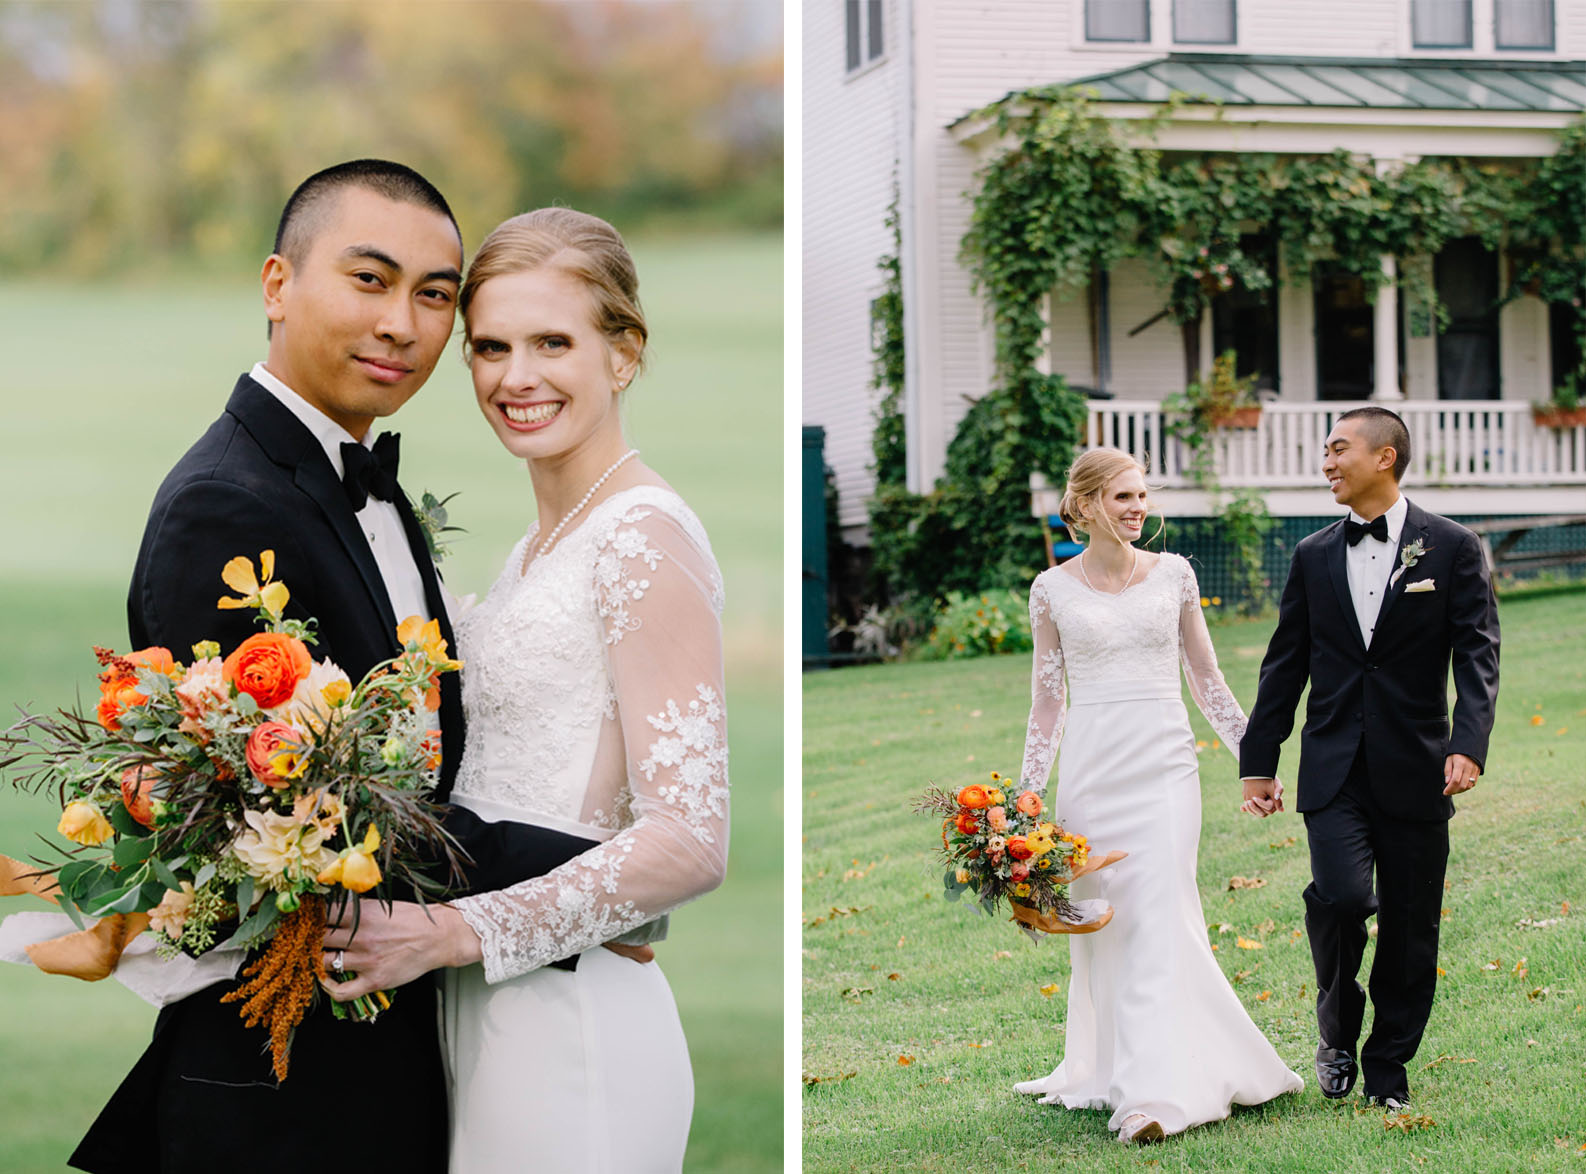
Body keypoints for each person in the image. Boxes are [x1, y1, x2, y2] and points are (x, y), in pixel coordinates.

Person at [72, 161, 640, 1174]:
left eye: (433, 296)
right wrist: (604, 885)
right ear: (276, 284)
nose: (402, 324)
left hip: (387, 1050)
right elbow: (330, 815)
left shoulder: (352, 484)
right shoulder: (228, 505)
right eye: (369, 280)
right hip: (288, 1090)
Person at [320, 208, 729, 1172]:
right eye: (491, 347)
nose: (517, 377)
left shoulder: (641, 539)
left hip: (573, 1024)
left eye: (554, 342)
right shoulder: (535, 549)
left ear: (622, 353)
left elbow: (691, 840)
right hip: (483, 1007)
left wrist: (454, 932)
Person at [1012, 447, 1302, 1144]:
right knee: (1112, 920)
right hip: (1092, 769)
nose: (1138, 510)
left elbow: (1206, 679)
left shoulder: (1174, 574)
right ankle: (1112, 1064)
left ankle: (1156, 1097)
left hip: (1165, 765)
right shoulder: (1050, 589)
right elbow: (1047, 705)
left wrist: (1253, 759)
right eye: (1123, 499)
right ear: (1085, 505)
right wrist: (1025, 800)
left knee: (1163, 913)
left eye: (1142, 497)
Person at [1238, 406, 1499, 1112]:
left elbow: (1477, 653)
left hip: (1417, 766)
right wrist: (1258, 759)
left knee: (1412, 926)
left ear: (1384, 457)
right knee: (1344, 899)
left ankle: (1388, 1067)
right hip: (1333, 768)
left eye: (1338, 448)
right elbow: (1284, 662)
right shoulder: (1313, 554)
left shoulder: (1451, 547)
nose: (1326, 462)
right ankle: (1336, 1029)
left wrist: (1468, 745)